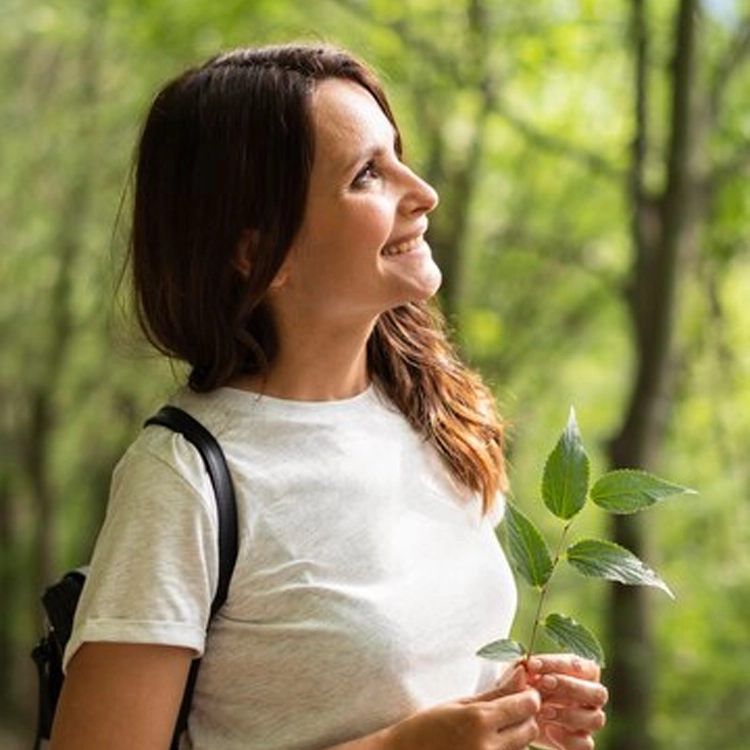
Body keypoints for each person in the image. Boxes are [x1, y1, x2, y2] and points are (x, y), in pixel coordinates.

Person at [49, 43, 608, 750]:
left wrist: (511, 709)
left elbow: (409, 697)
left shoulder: (435, 415)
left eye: (397, 154)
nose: (423, 191)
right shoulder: (183, 478)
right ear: (259, 253)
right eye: (367, 174)